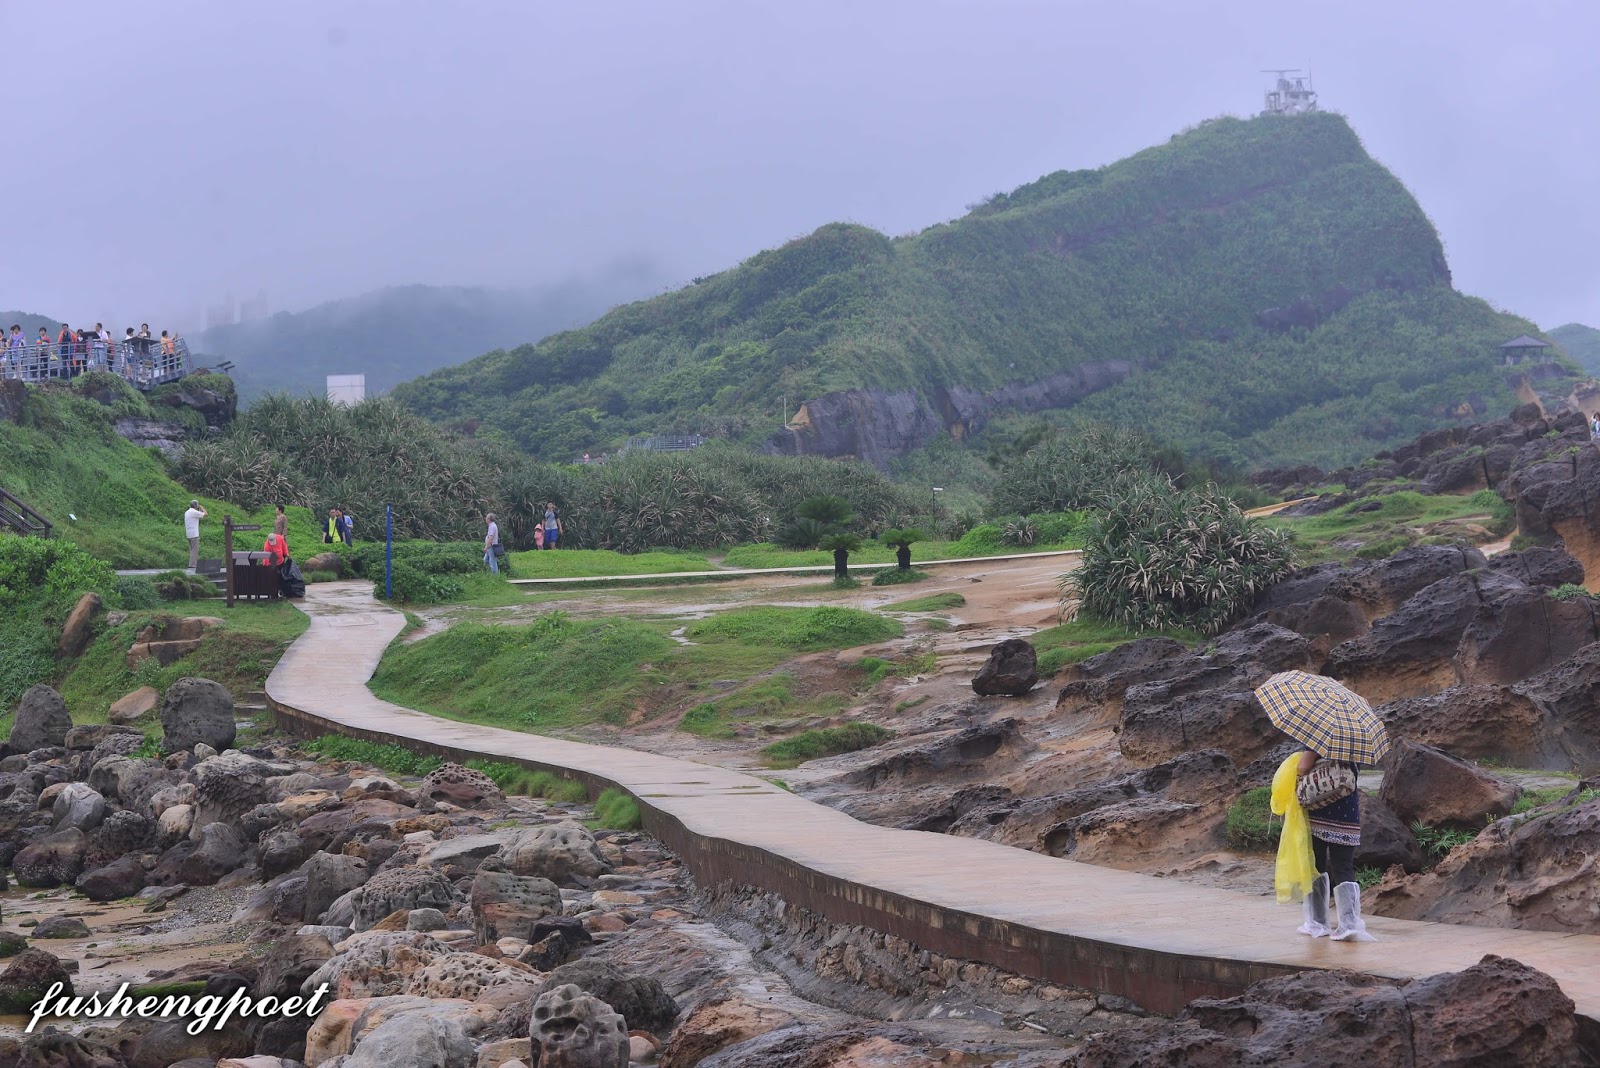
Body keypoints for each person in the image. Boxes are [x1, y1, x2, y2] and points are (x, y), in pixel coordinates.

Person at [1297, 748, 1374, 941]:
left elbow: (1303, 766)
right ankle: (1349, 924)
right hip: (1347, 815)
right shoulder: (1353, 743)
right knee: (1343, 866)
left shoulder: (1319, 742)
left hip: (1319, 815)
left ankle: (1317, 922)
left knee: (1316, 867)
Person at [183, 500, 207, 572]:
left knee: (191, 550)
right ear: (195, 505)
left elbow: (198, 516)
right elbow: (205, 514)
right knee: (194, 550)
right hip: (194, 534)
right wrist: (202, 508)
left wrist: (199, 510)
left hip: (188, 533)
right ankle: (193, 565)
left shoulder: (187, 512)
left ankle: (191, 564)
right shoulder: (194, 512)